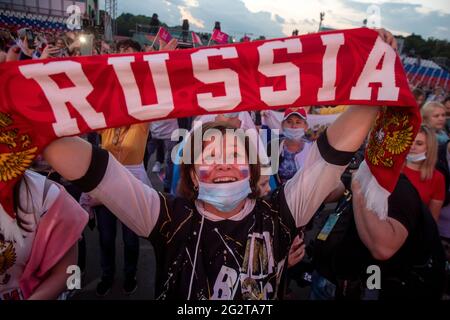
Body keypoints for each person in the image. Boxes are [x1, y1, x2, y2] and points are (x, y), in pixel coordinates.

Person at [42, 30, 395, 300]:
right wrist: (35, 107)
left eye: (236, 154)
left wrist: (377, 68)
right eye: (210, 155)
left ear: (254, 168)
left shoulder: (282, 213)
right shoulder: (165, 216)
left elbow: (333, 152)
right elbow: (88, 166)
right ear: (192, 174)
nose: (224, 162)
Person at [0, 170, 87, 300]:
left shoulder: (48, 195)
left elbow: (67, 272)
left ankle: (76, 285)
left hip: (63, 187)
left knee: (84, 236)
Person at [402, 125, 445, 221]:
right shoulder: (392, 170)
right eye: (409, 142)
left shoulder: (437, 178)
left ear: (430, 148)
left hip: (417, 232)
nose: (412, 147)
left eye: (419, 143)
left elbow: (432, 219)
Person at [273, 107, 313, 185]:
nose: (293, 126)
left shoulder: (312, 148)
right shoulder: (273, 146)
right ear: (282, 125)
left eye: (298, 122)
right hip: (280, 193)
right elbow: (269, 176)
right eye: (289, 122)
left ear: (306, 126)